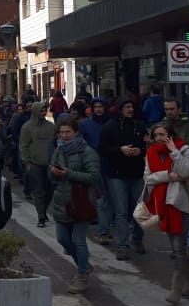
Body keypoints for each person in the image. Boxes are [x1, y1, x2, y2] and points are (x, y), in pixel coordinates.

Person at [144, 122, 189, 305]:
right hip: (163, 205)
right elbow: (148, 178)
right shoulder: (151, 154)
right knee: (179, 247)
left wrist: (174, 151)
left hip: (182, 205)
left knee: (177, 248)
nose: (159, 138)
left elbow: (185, 171)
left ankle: (176, 288)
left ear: (171, 135)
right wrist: (168, 176)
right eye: (156, 135)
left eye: (162, 135)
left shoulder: (185, 150)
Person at [49, 115, 101, 294]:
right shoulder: (58, 150)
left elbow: (94, 176)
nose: (63, 136)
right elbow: (52, 174)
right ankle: (84, 265)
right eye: (61, 132)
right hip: (62, 201)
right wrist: (54, 172)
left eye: (67, 132)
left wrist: (68, 173)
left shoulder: (86, 151)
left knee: (79, 241)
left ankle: (82, 275)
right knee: (62, 239)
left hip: (81, 201)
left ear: (76, 133)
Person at [99, 100, 147, 260]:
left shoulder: (138, 126)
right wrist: (120, 150)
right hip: (116, 175)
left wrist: (140, 150)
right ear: (119, 110)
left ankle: (137, 239)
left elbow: (147, 145)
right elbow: (102, 149)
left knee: (139, 210)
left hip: (136, 173)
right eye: (127, 107)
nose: (131, 110)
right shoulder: (109, 127)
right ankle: (123, 246)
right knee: (121, 212)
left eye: (132, 107)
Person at [161, 97, 189, 263]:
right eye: (166, 109)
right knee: (171, 210)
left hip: (188, 172)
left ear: (179, 109)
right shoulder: (160, 127)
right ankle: (176, 247)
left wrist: (179, 152)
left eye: (172, 109)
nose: (169, 112)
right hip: (168, 173)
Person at [80, 99, 113, 245]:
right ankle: (103, 231)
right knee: (101, 199)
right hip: (94, 166)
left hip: (112, 165)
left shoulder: (111, 123)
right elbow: (82, 144)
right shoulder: (86, 124)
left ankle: (105, 226)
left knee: (111, 199)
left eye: (101, 107)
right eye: (96, 107)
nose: (99, 110)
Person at [18, 102, 55, 227]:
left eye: (44, 110)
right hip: (34, 163)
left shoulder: (51, 127)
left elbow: (56, 143)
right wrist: (26, 162)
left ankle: (43, 211)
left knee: (50, 190)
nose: (43, 113)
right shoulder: (27, 127)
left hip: (50, 163)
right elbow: (23, 146)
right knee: (38, 190)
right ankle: (41, 217)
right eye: (41, 111)